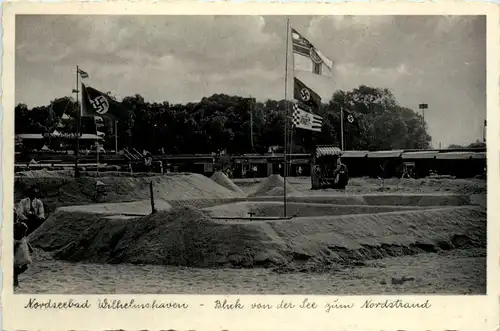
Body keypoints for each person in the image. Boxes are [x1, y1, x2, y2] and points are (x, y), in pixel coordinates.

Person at [14, 219, 32, 287]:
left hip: (22, 257)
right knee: (15, 269)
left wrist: (31, 249)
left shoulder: (23, 238)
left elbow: (27, 242)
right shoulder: (15, 240)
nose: (24, 234)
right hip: (16, 257)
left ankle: (15, 279)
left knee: (25, 266)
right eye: (23, 232)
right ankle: (16, 283)